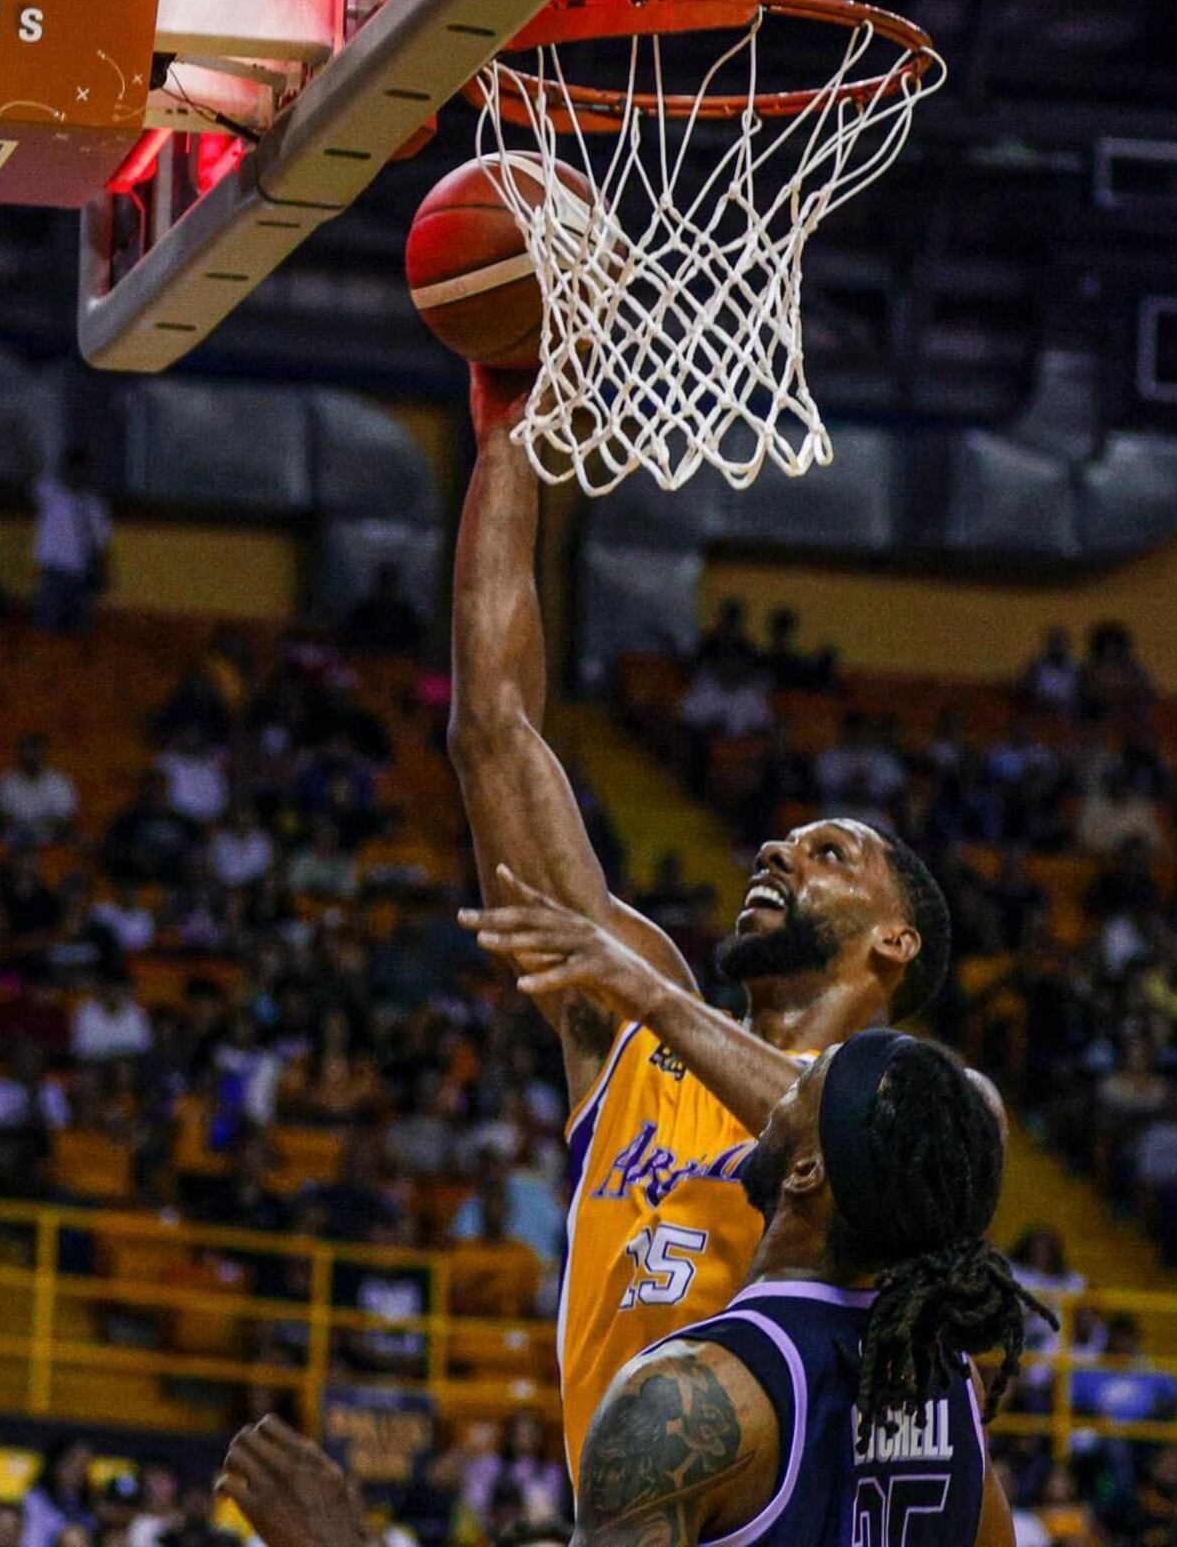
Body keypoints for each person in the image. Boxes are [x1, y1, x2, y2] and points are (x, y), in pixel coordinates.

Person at [447, 364, 956, 1472]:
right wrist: (505, 433)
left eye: (830, 853)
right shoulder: (642, 1042)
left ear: (895, 940)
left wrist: (650, 993)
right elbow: (494, 727)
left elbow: (840, 1136)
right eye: (785, 841)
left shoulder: (921, 1105)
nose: (778, 850)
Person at [218, 1030, 1037, 1547]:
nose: (770, 1095)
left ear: (807, 1172)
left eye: (798, 1086)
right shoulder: (947, 1386)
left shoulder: (689, 1397)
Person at [32, 451, 112, 635]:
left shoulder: (93, 505)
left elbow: (101, 544)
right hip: (53, 574)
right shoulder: (52, 494)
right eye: (74, 470)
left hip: (81, 577)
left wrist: (103, 570)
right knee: (47, 631)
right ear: (66, 471)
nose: (78, 475)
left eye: (82, 470)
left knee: (79, 632)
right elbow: (32, 472)